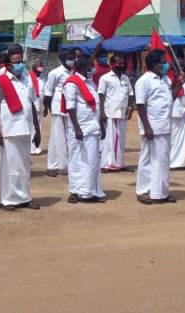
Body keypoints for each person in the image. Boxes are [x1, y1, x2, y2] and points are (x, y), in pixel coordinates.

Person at [0, 45, 41, 210]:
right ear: (8, 64)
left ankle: (25, 197)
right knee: (10, 166)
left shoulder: (27, 78)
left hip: (26, 128)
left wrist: (37, 128)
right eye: (16, 62)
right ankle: (9, 199)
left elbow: (32, 104)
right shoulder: (2, 80)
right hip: (9, 129)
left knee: (25, 165)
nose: (19, 64)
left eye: (21, 61)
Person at [135, 49, 184, 205]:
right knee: (148, 159)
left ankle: (160, 191)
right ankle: (143, 191)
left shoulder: (165, 80)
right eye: (163, 62)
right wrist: (147, 127)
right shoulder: (144, 81)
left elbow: (171, 98)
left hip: (165, 125)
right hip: (152, 126)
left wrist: (179, 83)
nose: (166, 64)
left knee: (162, 159)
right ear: (154, 64)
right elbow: (140, 105)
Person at [64, 55, 105, 204]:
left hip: (92, 126)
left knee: (92, 160)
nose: (93, 68)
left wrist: (100, 125)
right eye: (90, 66)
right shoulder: (72, 83)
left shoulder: (91, 83)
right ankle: (75, 191)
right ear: (83, 67)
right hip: (79, 127)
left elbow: (96, 106)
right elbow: (70, 107)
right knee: (77, 159)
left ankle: (90, 191)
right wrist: (77, 128)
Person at [42, 48, 77, 177]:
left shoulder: (75, 72)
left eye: (73, 57)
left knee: (70, 137)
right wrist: (50, 109)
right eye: (70, 57)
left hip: (71, 109)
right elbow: (48, 93)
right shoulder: (55, 73)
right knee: (57, 137)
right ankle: (54, 165)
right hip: (58, 108)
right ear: (62, 59)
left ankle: (68, 164)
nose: (72, 60)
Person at [98, 54, 133, 173]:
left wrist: (131, 108)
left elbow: (130, 94)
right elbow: (101, 95)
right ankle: (108, 164)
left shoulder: (125, 78)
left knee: (121, 139)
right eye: (118, 63)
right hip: (110, 112)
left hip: (122, 112)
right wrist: (102, 112)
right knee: (110, 139)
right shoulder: (105, 78)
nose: (121, 65)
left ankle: (119, 163)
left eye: (123, 63)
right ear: (112, 64)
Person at [167, 68, 185, 170]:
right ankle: (172, 162)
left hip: (184, 112)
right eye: (178, 64)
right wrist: (178, 81)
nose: (180, 67)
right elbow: (171, 95)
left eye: (182, 65)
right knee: (173, 139)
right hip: (174, 112)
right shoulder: (169, 78)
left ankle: (182, 162)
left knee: (184, 139)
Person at [29, 58, 46, 155]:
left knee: (38, 126)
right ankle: (31, 147)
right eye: (38, 65)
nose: (40, 67)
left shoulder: (43, 79)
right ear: (34, 67)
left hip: (40, 105)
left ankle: (36, 145)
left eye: (41, 65)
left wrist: (46, 107)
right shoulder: (29, 77)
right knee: (32, 125)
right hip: (32, 104)